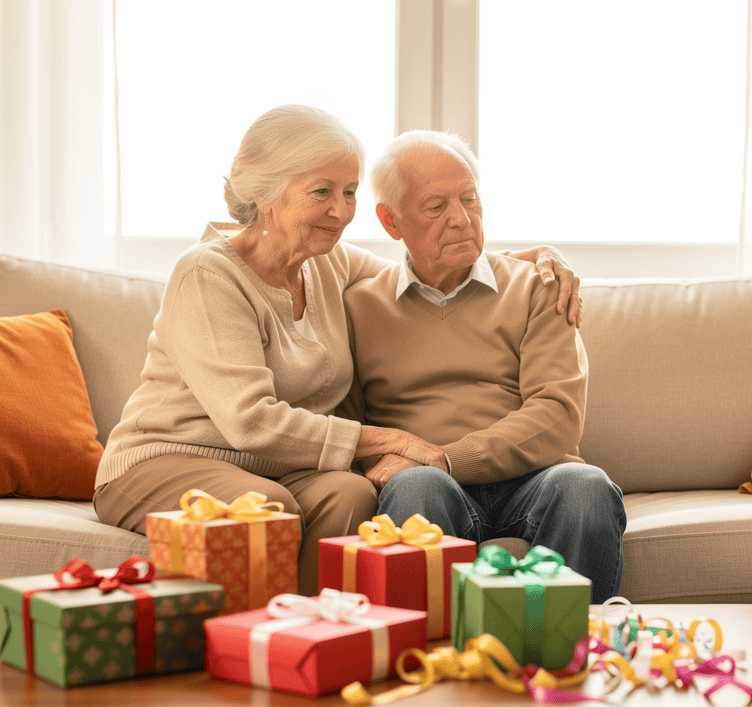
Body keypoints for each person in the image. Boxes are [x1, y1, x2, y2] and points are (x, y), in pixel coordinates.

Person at [93, 105, 582, 595]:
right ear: (265, 194)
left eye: (349, 193)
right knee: (265, 505)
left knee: (350, 491)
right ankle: (259, 648)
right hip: (167, 457)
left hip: (275, 467)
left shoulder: (328, 262)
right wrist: (390, 440)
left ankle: (327, 633)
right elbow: (250, 422)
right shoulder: (208, 275)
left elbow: (427, 263)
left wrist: (538, 258)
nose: (341, 211)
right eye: (322, 192)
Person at [338, 129, 627, 602]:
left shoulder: (538, 286)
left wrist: (448, 457)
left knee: (585, 486)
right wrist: (417, 464)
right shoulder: (358, 306)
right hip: (424, 482)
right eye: (436, 207)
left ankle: (577, 661)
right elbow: (348, 426)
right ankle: (431, 668)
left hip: (533, 480)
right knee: (417, 493)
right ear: (391, 221)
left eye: (469, 199)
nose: (461, 219)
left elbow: (557, 416)